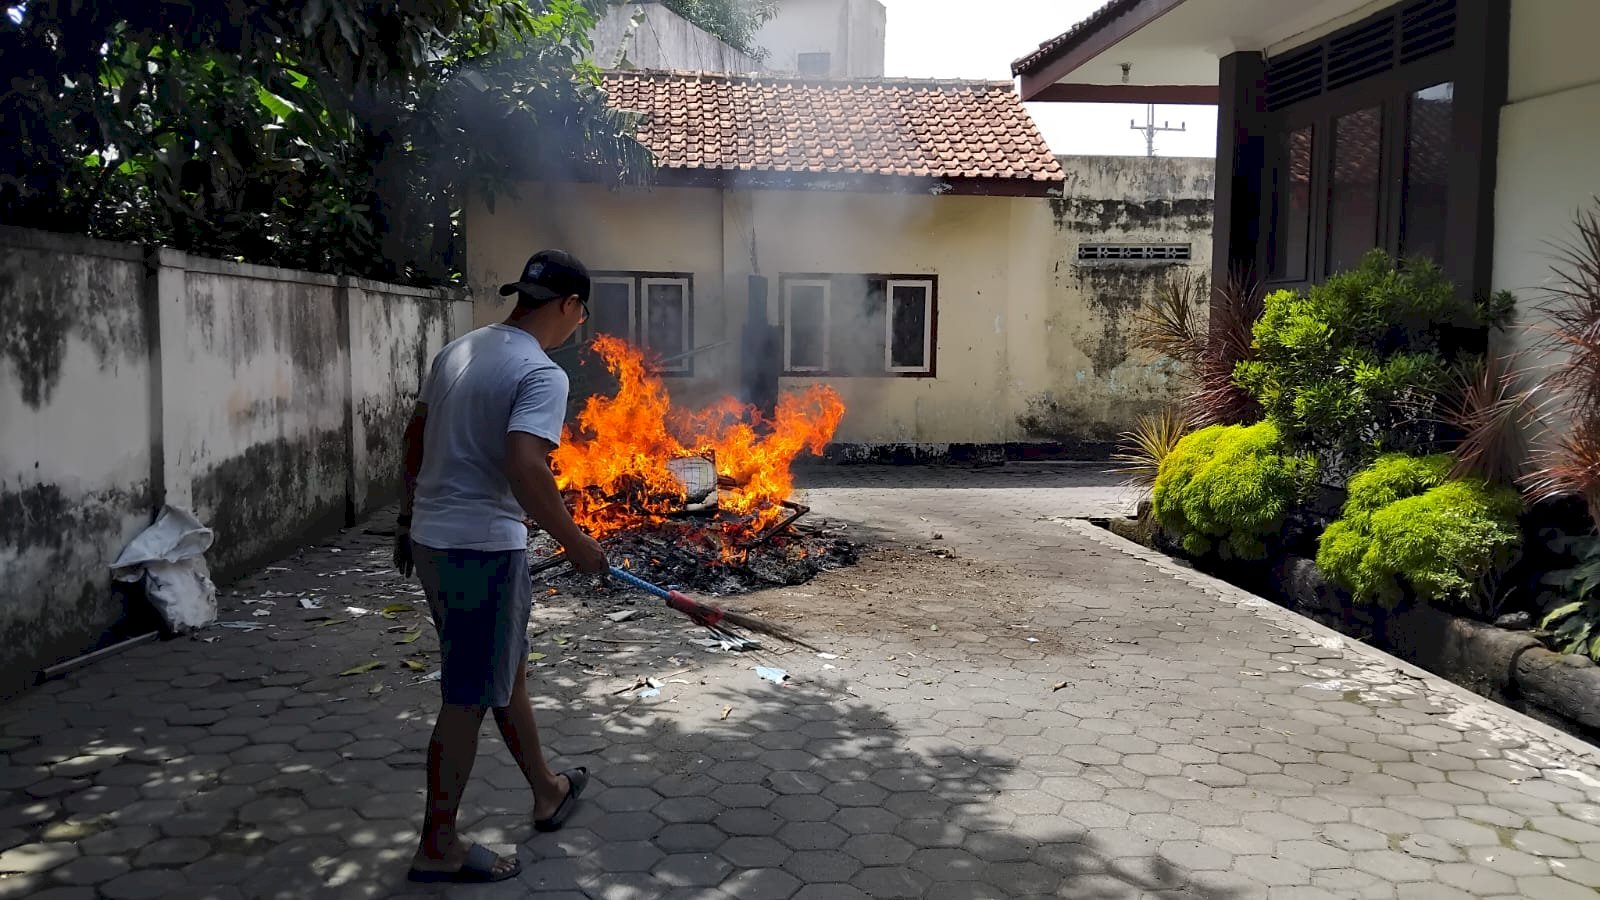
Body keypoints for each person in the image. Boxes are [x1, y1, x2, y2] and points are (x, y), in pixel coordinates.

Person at [395, 249, 609, 884]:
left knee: (501, 670)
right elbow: (525, 466)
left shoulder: (460, 351)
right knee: (466, 696)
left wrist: (407, 520)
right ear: (569, 306)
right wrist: (575, 543)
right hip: (481, 549)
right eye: (582, 313)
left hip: (435, 541)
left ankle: (547, 789)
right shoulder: (541, 374)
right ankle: (438, 844)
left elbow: (414, 437)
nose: (579, 324)